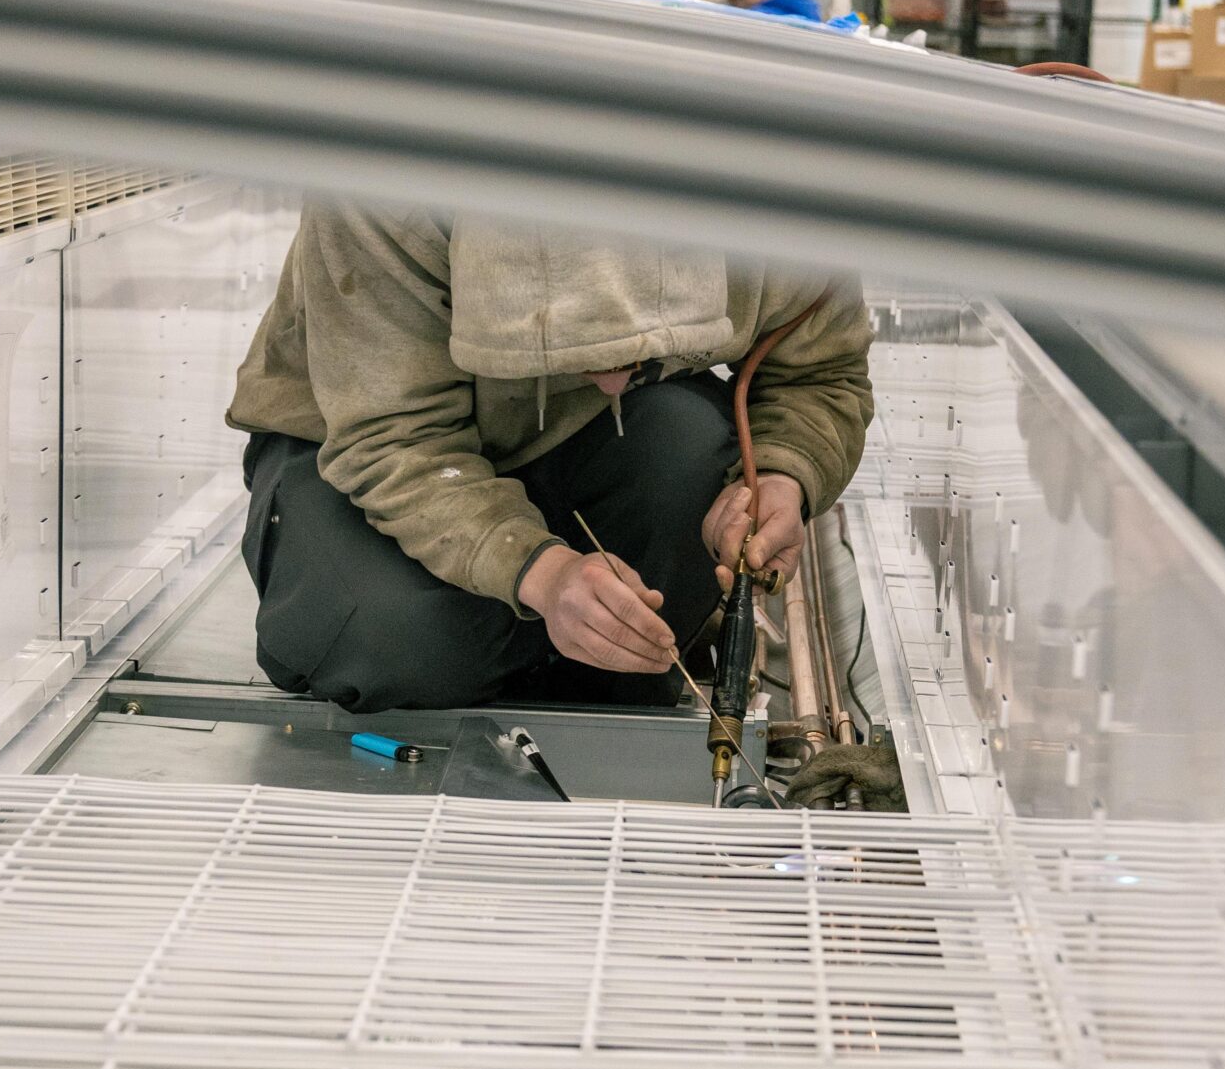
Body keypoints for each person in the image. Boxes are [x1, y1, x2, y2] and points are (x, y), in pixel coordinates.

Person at [226, 204, 873, 713]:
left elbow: (820, 374)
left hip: (584, 435)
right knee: (393, 641)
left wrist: (784, 476)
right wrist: (540, 573)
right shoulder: (387, 182)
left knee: (687, 455)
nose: (618, 381)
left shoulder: (780, 202)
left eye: (637, 359)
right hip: (360, 432)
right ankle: (505, 645)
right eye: (592, 355)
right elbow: (395, 431)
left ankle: (607, 666)